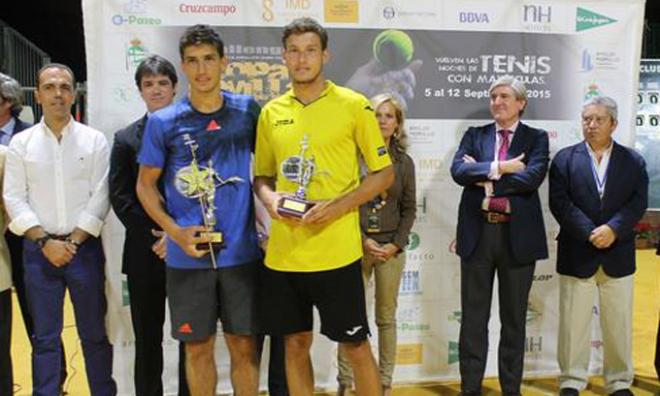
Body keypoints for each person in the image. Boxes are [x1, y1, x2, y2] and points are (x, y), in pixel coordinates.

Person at [254, 17, 394, 396]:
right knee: (295, 345)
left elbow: (383, 175)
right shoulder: (271, 112)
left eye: (310, 50)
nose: (302, 59)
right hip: (284, 256)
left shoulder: (354, 105)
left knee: (356, 346)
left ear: (325, 55)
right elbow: (262, 177)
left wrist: (337, 206)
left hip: (337, 253)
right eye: (294, 52)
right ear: (284, 57)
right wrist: (271, 199)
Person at [136, 25, 262, 395]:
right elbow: (145, 185)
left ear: (224, 62)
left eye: (209, 59)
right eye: (192, 61)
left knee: (244, 346)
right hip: (187, 258)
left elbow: (269, 172)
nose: (202, 69)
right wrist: (174, 232)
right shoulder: (163, 122)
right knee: (198, 347)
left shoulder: (247, 110)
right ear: (183, 66)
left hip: (241, 254)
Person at [3, 63, 116, 396]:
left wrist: (74, 241)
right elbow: (13, 198)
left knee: (94, 335)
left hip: (85, 253)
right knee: (45, 338)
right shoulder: (21, 145)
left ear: (73, 93)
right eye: (50, 87)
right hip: (39, 255)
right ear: (37, 95)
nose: (58, 94)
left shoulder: (94, 140)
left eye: (65, 87)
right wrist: (45, 241)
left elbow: (101, 195)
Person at [450, 75, 549, 396]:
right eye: (493, 96)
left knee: (514, 321)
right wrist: (503, 167)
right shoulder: (474, 134)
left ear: (521, 103)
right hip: (478, 236)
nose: (497, 102)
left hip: (517, 239)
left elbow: (532, 178)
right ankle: (471, 389)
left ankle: (510, 390)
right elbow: (458, 172)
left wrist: (483, 173)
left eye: (505, 96)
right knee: (473, 322)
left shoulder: (537, 138)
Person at [549, 96, 648, 396]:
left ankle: (618, 381)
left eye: (598, 120)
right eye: (586, 119)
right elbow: (560, 203)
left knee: (618, 324)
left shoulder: (633, 160)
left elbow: (637, 202)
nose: (591, 125)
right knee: (572, 324)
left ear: (613, 124)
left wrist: (613, 229)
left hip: (618, 253)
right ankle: (571, 380)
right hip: (578, 250)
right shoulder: (565, 158)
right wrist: (591, 231)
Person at [109, 54, 190, 396]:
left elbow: (200, 191)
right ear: (140, 90)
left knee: (192, 337)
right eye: (148, 84)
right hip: (146, 253)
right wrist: (160, 234)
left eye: (162, 83)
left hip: (188, 251)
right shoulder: (126, 138)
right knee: (147, 339)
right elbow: (122, 197)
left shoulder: (193, 133)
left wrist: (177, 235)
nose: (156, 90)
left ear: (174, 88)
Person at [336, 93, 416, 396]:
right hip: (353, 246)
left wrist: (395, 245)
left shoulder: (404, 163)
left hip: (390, 251)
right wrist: (362, 240)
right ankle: (346, 382)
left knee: (385, 318)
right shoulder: (351, 156)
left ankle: (383, 383)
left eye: (389, 116)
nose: (382, 120)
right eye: (377, 115)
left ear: (397, 125)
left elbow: (409, 209)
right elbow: (343, 203)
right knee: (350, 318)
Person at [0, 72, 71, 390]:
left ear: (7, 102)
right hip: (5, 242)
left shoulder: (31, 135)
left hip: (34, 240)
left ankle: (55, 380)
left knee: (40, 320)